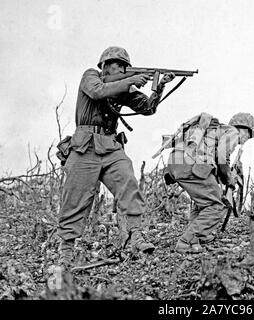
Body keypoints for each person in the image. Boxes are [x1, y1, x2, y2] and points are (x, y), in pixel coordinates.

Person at [57, 46, 175, 266]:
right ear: (104, 65)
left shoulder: (123, 88)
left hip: (111, 146)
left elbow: (147, 108)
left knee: (128, 183)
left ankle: (135, 236)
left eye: (123, 65)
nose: (120, 68)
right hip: (85, 146)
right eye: (116, 64)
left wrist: (159, 87)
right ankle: (66, 251)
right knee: (76, 198)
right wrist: (130, 81)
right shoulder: (91, 76)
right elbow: (97, 91)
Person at [163, 112, 254, 253]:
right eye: (248, 135)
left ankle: (196, 237)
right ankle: (187, 241)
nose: (245, 140)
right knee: (217, 205)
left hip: (175, 162)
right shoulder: (232, 132)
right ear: (244, 129)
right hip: (189, 163)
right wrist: (229, 178)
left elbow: (212, 160)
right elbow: (221, 156)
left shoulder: (211, 133)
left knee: (204, 202)